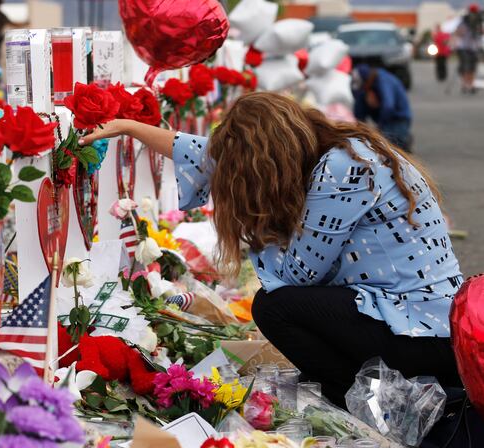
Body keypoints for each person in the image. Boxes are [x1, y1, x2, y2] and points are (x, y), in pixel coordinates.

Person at [80, 92, 464, 412]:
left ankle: (360, 402)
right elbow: (206, 153)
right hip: (419, 322)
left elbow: (298, 273)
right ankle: (357, 389)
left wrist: (258, 228)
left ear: (269, 164)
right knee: (280, 306)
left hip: (423, 335)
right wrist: (130, 127)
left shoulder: (343, 169)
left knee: (275, 307)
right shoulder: (331, 147)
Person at [352, 64, 412, 151]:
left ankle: (404, 144)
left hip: (398, 118)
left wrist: (379, 126)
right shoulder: (365, 88)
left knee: (396, 148)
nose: (363, 89)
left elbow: (388, 106)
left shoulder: (383, 80)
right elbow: (359, 109)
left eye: (364, 86)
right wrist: (360, 128)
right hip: (383, 119)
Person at [455, 4, 482, 94]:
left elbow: (481, 33)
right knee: (466, 67)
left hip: (474, 48)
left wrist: (478, 28)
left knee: (472, 68)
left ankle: (471, 84)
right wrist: (465, 29)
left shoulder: (478, 22)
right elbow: (458, 32)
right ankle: (465, 84)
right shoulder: (464, 21)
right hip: (464, 47)